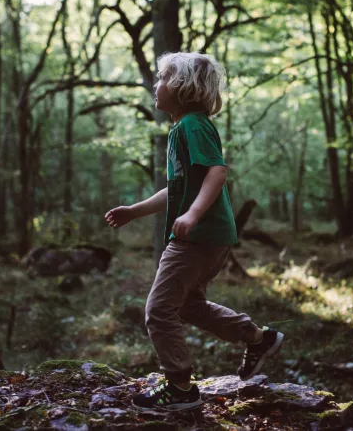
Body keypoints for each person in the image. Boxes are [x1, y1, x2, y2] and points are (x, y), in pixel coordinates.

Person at [104, 52, 285, 411]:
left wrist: (192, 215)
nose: (156, 85)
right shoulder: (181, 130)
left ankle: (180, 387)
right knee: (187, 306)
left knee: (158, 310)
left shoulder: (192, 126)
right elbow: (177, 187)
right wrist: (134, 211)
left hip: (199, 236)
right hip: (210, 236)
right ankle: (257, 337)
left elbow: (217, 172)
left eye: (163, 78)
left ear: (184, 88)